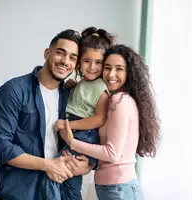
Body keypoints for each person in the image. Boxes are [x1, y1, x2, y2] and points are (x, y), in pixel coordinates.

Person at [0, 29, 92, 200]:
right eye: (60, 53)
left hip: (62, 192)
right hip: (20, 193)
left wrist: (88, 165)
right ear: (47, 53)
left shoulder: (73, 97)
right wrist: (48, 165)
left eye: (73, 57)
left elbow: (89, 135)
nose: (65, 61)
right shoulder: (13, 90)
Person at [60, 44, 161, 200]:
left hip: (120, 189)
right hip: (115, 188)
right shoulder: (113, 99)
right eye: (107, 68)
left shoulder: (119, 101)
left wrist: (72, 142)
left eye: (119, 69)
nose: (111, 74)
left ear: (129, 73)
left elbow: (112, 154)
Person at [38, 26, 115, 200]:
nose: (92, 67)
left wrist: (68, 125)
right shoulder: (80, 83)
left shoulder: (100, 87)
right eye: (87, 61)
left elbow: (99, 118)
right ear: (79, 62)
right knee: (70, 185)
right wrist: (74, 87)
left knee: (52, 176)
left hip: (82, 135)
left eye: (98, 62)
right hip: (76, 135)